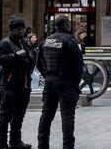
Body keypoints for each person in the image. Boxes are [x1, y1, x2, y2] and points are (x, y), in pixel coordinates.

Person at [0, 16, 36, 149]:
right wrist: (12, 56)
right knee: (5, 116)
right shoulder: (3, 44)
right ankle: (1, 145)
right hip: (9, 85)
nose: (22, 31)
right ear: (12, 30)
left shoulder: (24, 42)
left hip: (24, 85)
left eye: (23, 28)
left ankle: (15, 142)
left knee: (19, 116)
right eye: (19, 29)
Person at [36, 15, 85, 149]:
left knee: (46, 115)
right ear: (67, 25)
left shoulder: (45, 41)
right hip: (66, 81)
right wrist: (75, 83)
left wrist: (47, 75)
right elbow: (79, 65)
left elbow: (38, 63)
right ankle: (68, 146)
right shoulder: (70, 41)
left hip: (50, 81)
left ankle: (42, 145)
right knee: (67, 115)